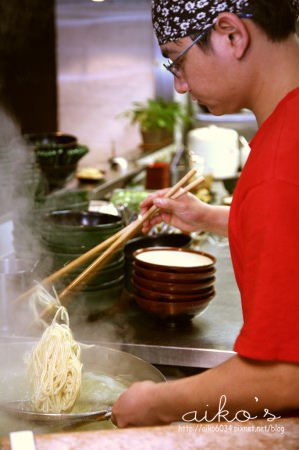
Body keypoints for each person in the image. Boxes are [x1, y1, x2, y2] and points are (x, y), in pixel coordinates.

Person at [112, 0, 299, 427]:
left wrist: (157, 401)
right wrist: (213, 216)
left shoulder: (279, 167)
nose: (179, 85)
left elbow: (287, 376)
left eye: (176, 59)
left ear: (232, 34)